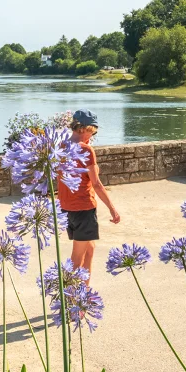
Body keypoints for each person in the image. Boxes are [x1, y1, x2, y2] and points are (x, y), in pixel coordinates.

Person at [57, 109, 121, 279]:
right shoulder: (86, 149)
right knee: (76, 258)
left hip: (67, 208)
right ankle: (70, 300)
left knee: (89, 250)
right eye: (92, 131)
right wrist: (112, 209)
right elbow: (96, 184)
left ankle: (84, 295)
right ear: (82, 128)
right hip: (84, 208)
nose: (92, 135)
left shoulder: (60, 146)